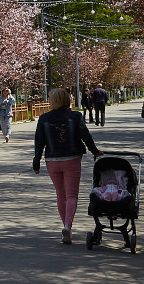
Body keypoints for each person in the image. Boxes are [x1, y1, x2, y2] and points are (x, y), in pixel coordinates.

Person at [33, 87, 103, 245]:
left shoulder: (44, 118)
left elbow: (39, 142)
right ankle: (67, 225)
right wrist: (95, 151)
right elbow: (85, 135)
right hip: (72, 159)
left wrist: (36, 162)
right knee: (71, 195)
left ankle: (66, 227)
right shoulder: (75, 116)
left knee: (60, 195)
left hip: (52, 160)